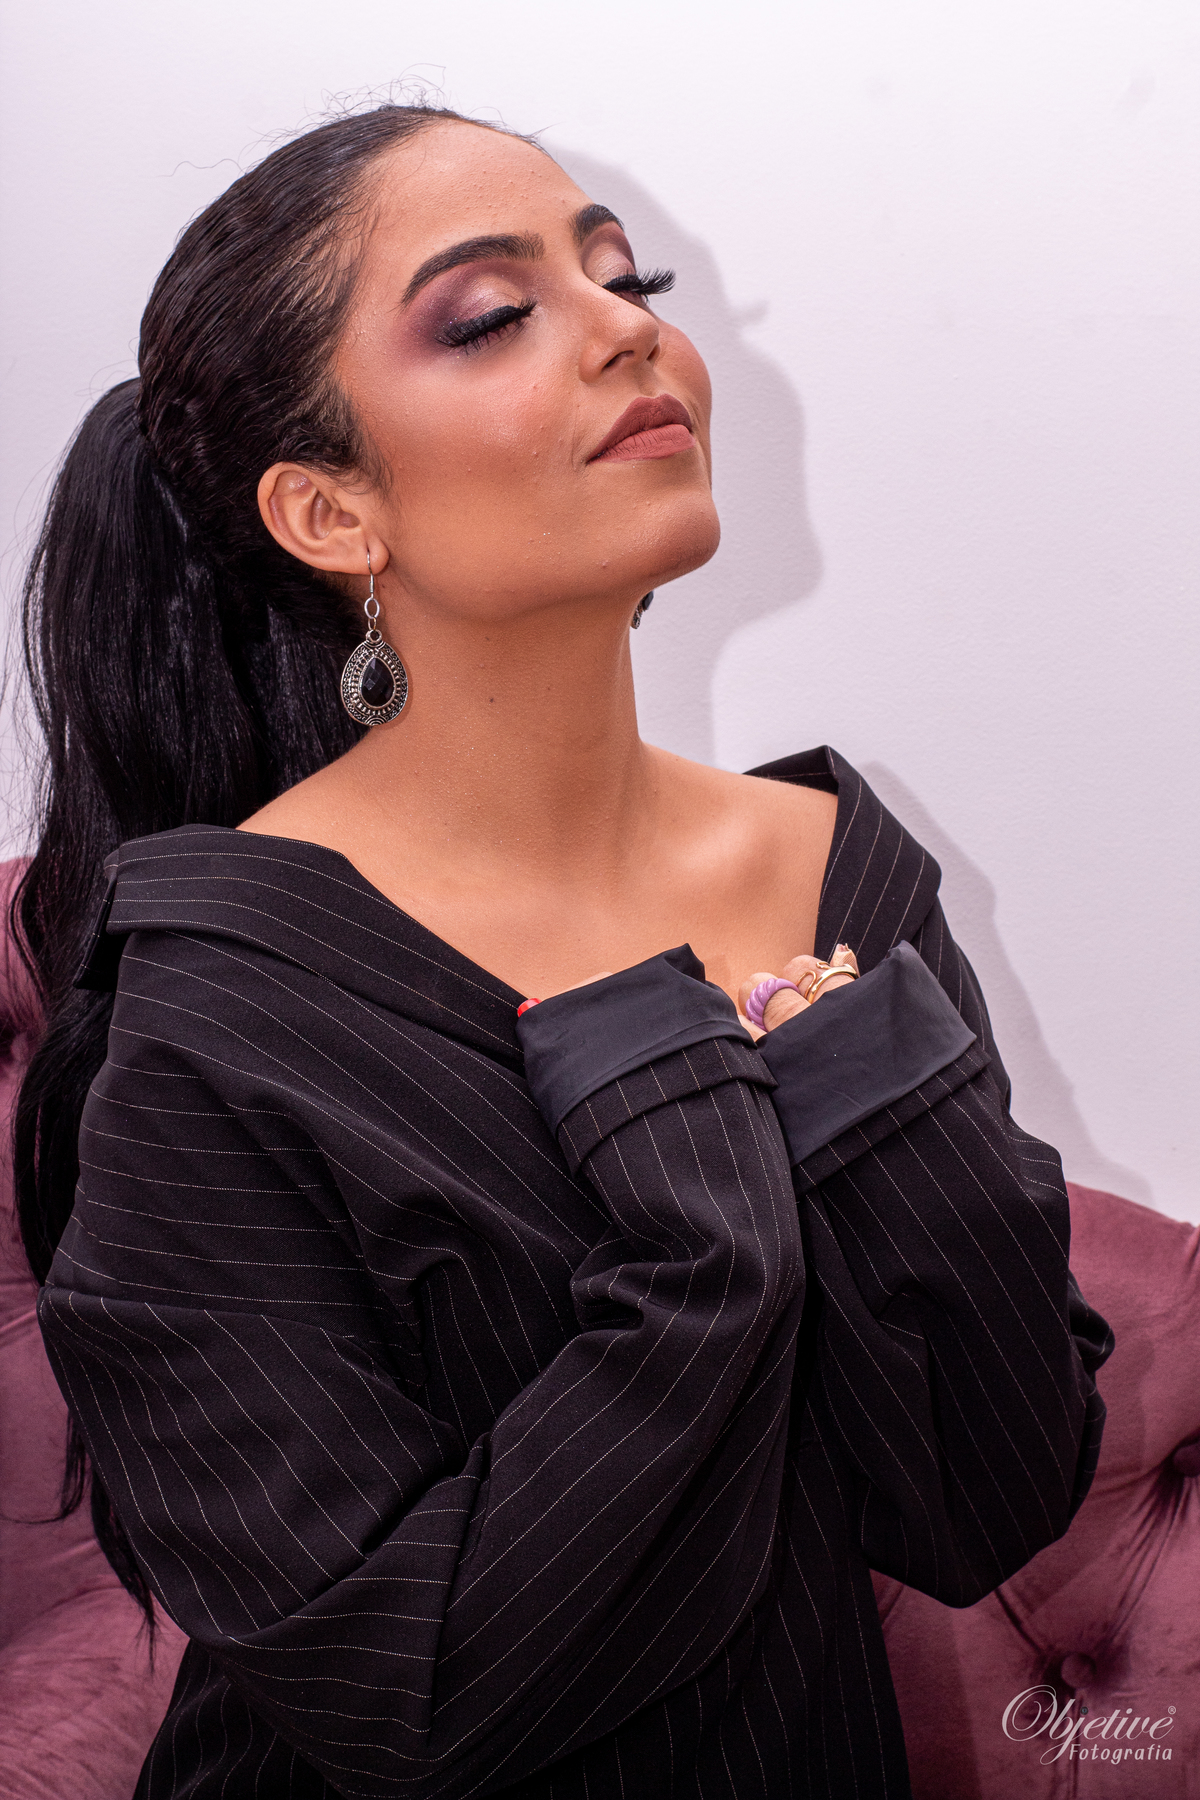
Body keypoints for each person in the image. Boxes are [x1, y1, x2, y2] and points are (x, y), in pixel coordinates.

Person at [13, 103, 1112, 1799]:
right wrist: (702, 1215)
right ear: (329, 512)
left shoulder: (831, 869)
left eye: (626, 278)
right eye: (490, 315)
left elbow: (986, 1502)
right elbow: (412, 1701)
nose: (627, 330)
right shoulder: (216, 1009)